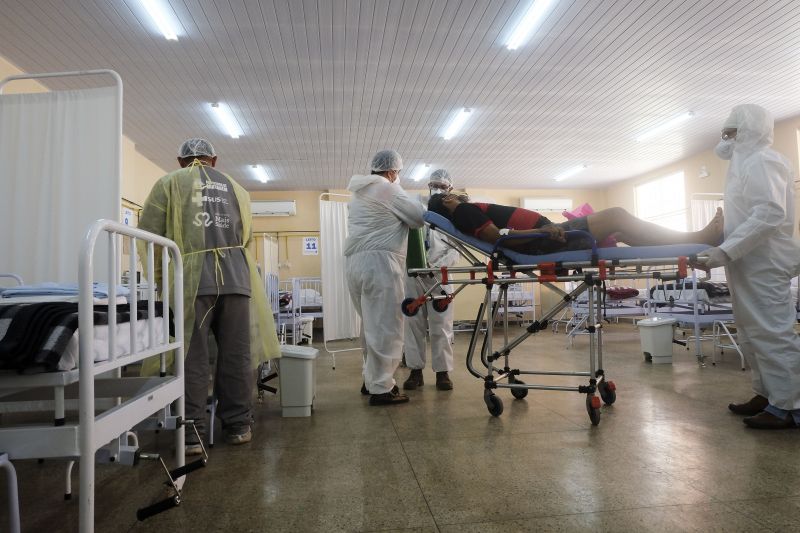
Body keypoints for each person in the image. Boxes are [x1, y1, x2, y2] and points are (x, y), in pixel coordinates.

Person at [138, 138, 280, 454]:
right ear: (213, 159)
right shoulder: (237, 188)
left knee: (193, 356)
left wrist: (162, 281)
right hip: (236, 280)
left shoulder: (168, 184)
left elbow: (149, 237)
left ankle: (191, 433)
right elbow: (247, 237)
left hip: (190, 281)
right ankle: (239, 426)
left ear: (180, 161)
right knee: (236, 354)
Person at [701, 104, 800, 430]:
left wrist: (727, 250)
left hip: (765, 262)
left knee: (772, 333)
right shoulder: (744, 163)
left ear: (748, 132)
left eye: (732, 132)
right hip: (748, 262)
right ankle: (768, 394)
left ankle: (790, 405)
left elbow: (770, 213)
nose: (726, 139)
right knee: (751, 332)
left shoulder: (763, 160)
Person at [345, 150, 425, 405]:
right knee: (386, 326)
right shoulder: (388, 189)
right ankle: (382, 388)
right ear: (392, 172)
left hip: (355, 264)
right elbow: (417, 217)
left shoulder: (359, 194)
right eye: (398, 174)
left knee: (370, 326)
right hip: (380, 264)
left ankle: (371, 380)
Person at [427, 194, 723, 254]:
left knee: (621, 228)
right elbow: (498, 237)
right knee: (618, 215)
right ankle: (698, 239)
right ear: (446, 203)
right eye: (447, 195)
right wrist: (542, 230)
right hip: (541, 242)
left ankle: (690, 244)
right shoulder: (462, 211)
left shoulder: (465, 211)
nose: (452, 195)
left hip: (542, 236)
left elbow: (498, 234)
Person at [403, 169, 461, 391]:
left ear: (450, 189)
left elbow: (456, 248)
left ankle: (443, 373)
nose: (437, 189)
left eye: (442, 186)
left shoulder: (454, 215)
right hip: (414, 276)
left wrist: (435, 267)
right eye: (433, 185)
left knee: (442, 327)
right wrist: (419, 266)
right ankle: (415, 372)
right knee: (413, 325)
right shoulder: (417, 209)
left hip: (441, 277)